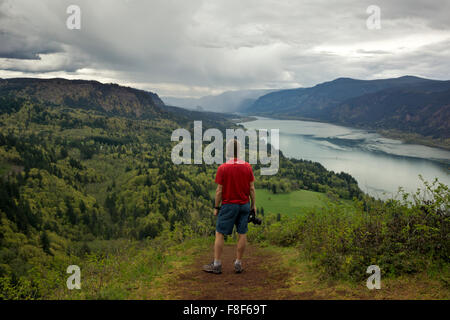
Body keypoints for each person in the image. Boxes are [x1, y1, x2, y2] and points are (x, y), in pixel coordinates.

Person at [202, 139, 256, 274]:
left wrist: (216, 207)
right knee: (242, 233)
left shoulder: (223, 168)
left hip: (229, 205)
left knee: (219, 233)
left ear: (228, 151)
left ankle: (217, 265)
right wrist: (253, 205)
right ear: (240, 151)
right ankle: (238, 263)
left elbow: (219, 190)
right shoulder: (247, 167)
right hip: (244, 205)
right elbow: (252, 188)